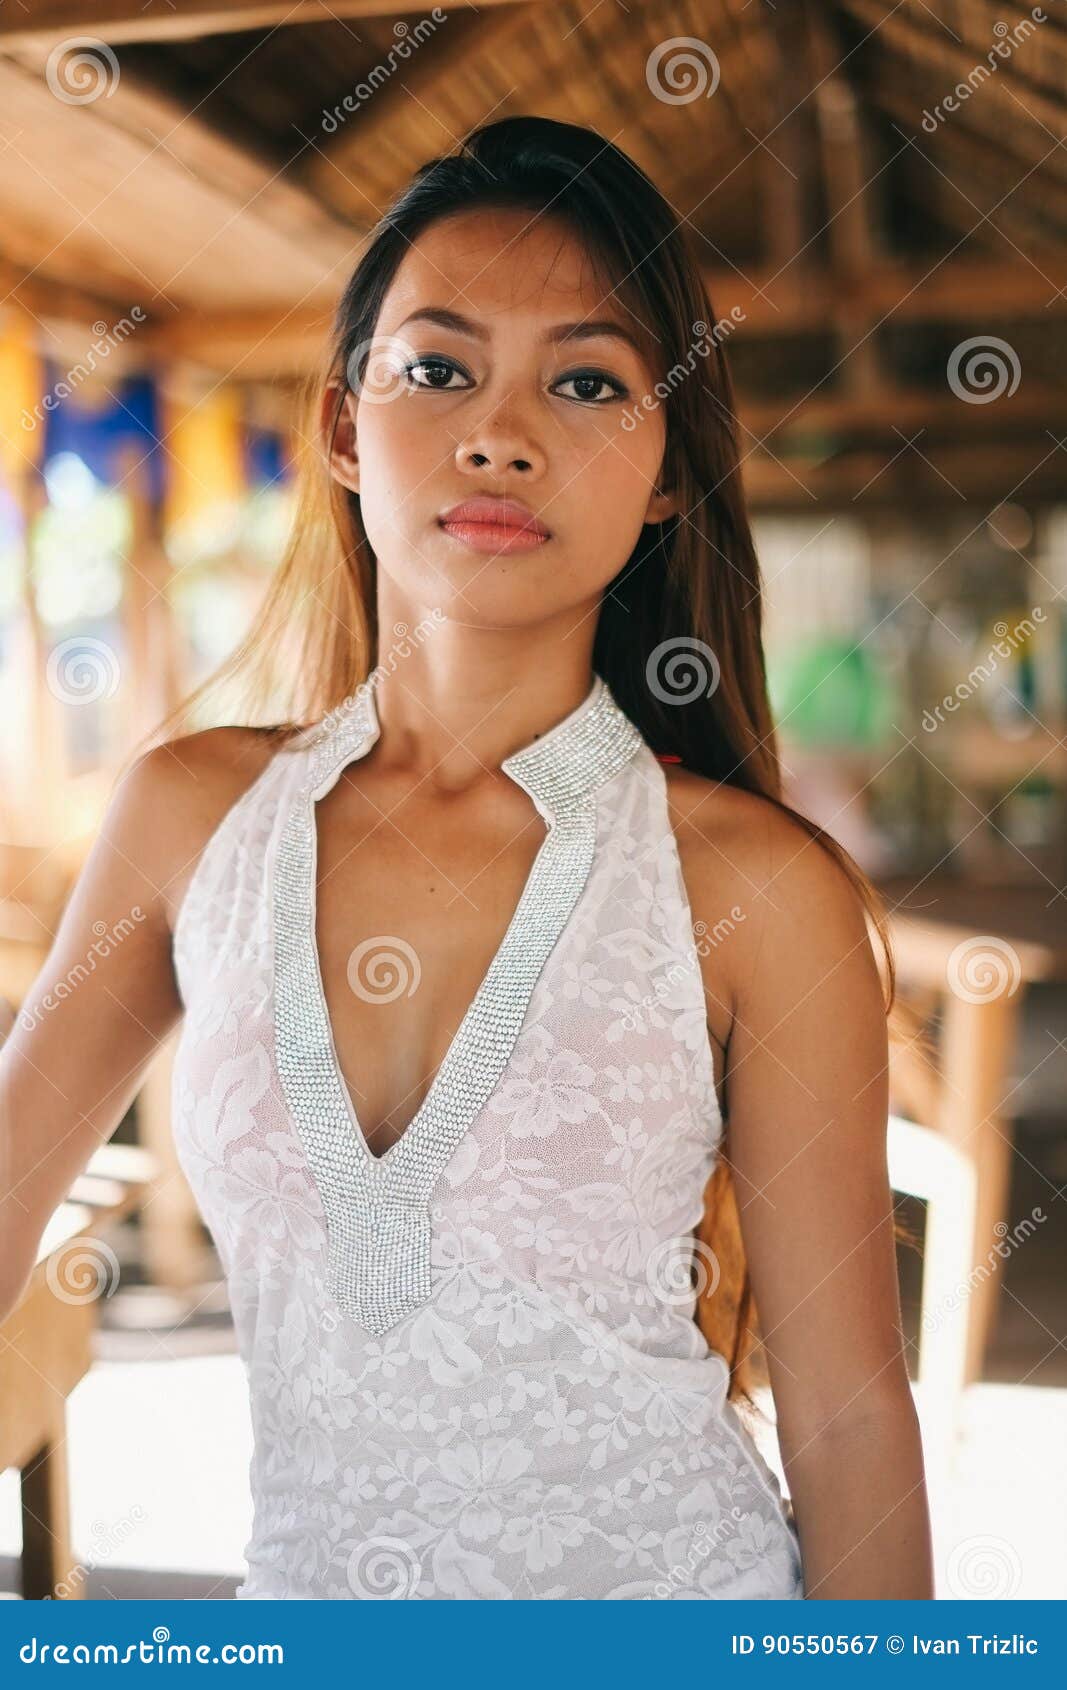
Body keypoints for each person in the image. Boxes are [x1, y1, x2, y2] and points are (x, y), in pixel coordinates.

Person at [0, 116, 933, 1600]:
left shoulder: (756, 889)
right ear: (344, 430)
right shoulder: (191, 820)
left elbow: (845, 1415)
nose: (502, 429)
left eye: (586, 379)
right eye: (437, 368)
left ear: (669, 472)